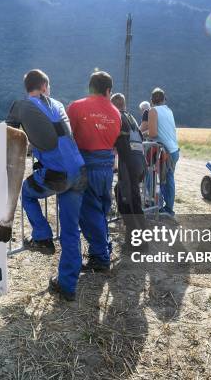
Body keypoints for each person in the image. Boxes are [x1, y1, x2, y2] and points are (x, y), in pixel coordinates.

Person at [6, 69, 86, 301]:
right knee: (71, 230)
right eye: (48, 86)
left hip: (57, 173)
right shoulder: (58, 105)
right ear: (43, 86)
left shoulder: (22, 106)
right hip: (79, 170)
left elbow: (10, 134)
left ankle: (42, 236)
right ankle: (67, 286)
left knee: (26, 193)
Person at [68, 71, 122, 271]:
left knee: (88, 212)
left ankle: (100, 256)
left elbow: (67, 136)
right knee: (101, 209)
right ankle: (103, 248)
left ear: (91, 87)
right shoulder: (116, 112)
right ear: (108, 90)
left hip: (87, 164)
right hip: (106, 166)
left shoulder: (76, 107)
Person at [110, 93, 147, 246]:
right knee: (133, 198)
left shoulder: (117, 117)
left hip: (128, 164)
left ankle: (135, 240)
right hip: (139, 163)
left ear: (114, 105)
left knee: (126, 198)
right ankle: (141, 237)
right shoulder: (131, 117)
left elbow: (112, 141)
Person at [147, 88, 179, 217]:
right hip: (174, 149)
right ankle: (168, 209)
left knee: (152, 175)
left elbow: (153, 133)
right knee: (168, 179)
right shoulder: (168, 110)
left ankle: (158, 205)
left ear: (151, 100)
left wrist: (142, 134)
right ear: (164, 99)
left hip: (165, 151)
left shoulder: (153, 111)